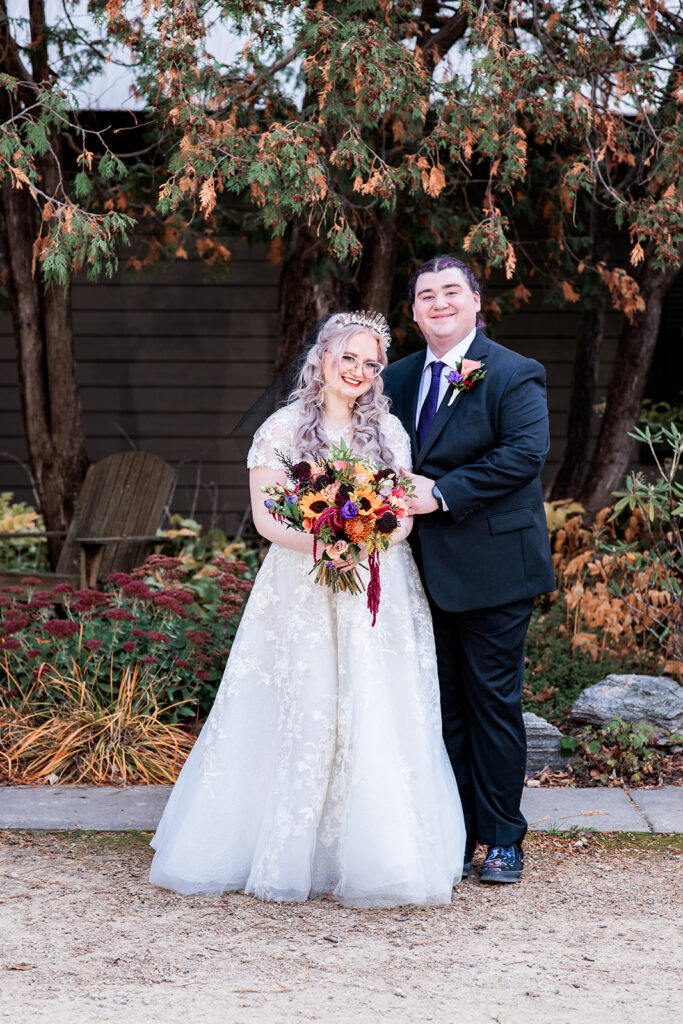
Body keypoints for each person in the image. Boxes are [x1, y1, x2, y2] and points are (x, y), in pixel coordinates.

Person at [149, 311, 466, 907]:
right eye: (349, 357)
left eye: (371, 364)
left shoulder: (389, 433)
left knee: (376, 704)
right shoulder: (282, 428)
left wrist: (366, 540)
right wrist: (325, 544)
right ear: (322, 357)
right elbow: (269, 519)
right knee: (304, 701)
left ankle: (376, 853)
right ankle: (285, 849)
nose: (359, 371)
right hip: (300, 584)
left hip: (377, 585)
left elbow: (399, 513)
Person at [382, 256, 556, 884]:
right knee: (440, 707)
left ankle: (504, 839)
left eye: (451, 291)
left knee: (491, 704)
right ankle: (454, 834)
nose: (439, 303)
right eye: (426, 295)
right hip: (416, 569)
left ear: (477, 301)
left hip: (494, 568)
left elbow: (524, 455)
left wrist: (442, 492)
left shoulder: (514, 372)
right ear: (413, 311)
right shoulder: (394, 378)